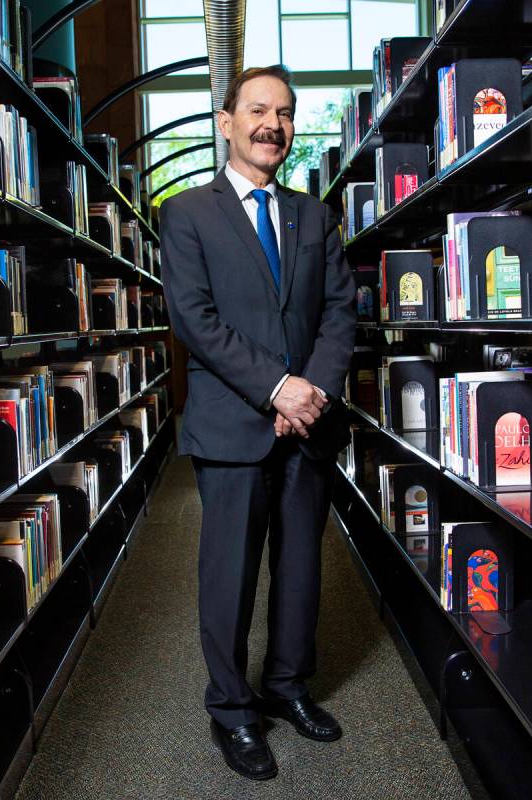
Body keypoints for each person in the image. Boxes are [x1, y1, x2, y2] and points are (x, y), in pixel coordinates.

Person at [159, 65, 356, 781]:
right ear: (227, 121)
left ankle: (287, 687)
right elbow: (195, 321)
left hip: (309, 425)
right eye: (258, 110)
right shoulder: (187, 214)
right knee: (230, 575)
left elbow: (339, 314)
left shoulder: (316, 213)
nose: (272, 124)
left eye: (285, 112)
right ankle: (233, 710)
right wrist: (276, 388)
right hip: (233, 424)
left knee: (301, 568)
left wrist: (311, 395)